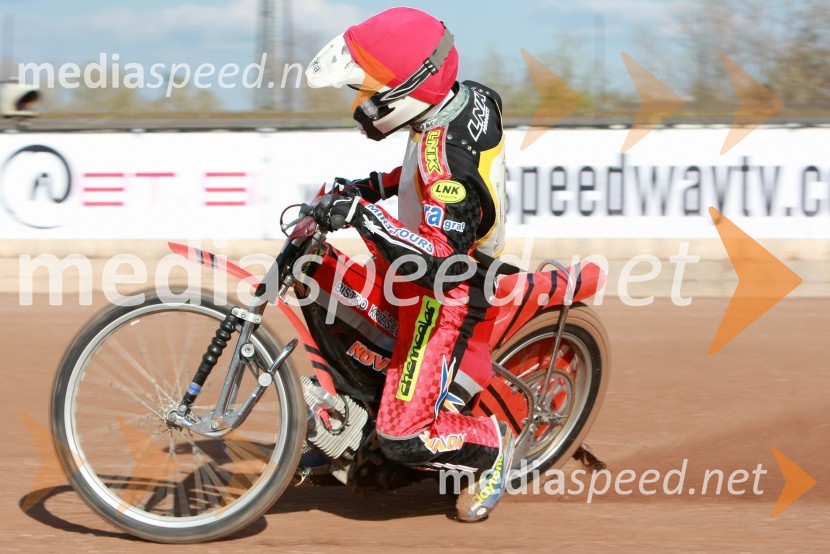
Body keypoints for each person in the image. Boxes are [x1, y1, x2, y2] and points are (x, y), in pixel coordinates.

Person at [305, 6, 512, 522]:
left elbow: (442, 256)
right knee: (325, 292)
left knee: (403, 437)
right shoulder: (454, 104)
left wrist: (362, 215)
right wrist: (370, 188)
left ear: (411, 87)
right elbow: (421, 168)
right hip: (424, 260)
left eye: (370, 89)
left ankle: (489, 444)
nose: (363, 102)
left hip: (450, 291)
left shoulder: (451, 160)